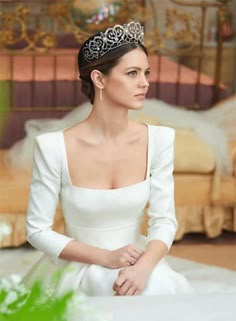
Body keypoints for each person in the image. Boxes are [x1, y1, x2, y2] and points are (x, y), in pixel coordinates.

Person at [24, 21, 193, 296]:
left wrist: (144, 268)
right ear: (99, 79)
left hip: (139, 266)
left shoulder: (159, 140)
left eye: (146, 73)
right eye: (132, 73)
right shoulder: (53, 147)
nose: (145, 82)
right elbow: (37, 230)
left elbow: (164, 220)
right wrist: (105, 258)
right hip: (79, 268)